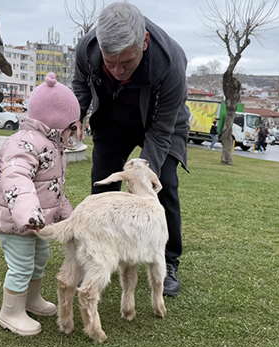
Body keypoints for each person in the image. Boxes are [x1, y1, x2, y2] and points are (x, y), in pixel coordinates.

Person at [72, 1, 190, 297]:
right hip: (113, 118)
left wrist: (140, 177)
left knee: (163, 187)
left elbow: (161, 132)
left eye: (127, 62)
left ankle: (169, 259)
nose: (118, 70)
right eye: (110, 62)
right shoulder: (87, 49)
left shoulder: (171, 63)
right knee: (101, 182)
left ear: (144, 43)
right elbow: (80, 84)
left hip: (161, 122)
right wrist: (76, 112)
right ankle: (96, 252)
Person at [0, 72, 80, 336]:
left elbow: (53, 189)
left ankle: (31, 299)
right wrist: (28, 213)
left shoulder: (52, 145)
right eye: (72, 125)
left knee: (41, 258)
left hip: (38, 223)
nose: (74, 131)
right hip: (17, 223)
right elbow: (16, 178)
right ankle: (10, 312)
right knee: (22, 264)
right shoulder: (24, 143)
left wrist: (69, 216)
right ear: (58, 121)